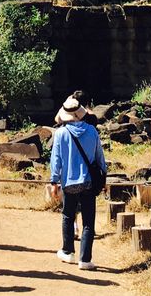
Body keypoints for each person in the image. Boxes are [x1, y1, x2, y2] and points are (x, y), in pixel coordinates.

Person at [49, 95, 108, 271]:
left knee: (68, 216)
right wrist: (104, 178)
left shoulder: (60, 133)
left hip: (69, 181)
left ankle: (68, 251)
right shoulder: (92, 131)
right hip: (89, 181)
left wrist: (54, 181)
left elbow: (56, 160)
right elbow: (99, 157)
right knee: (88, 221)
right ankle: (85, 259)